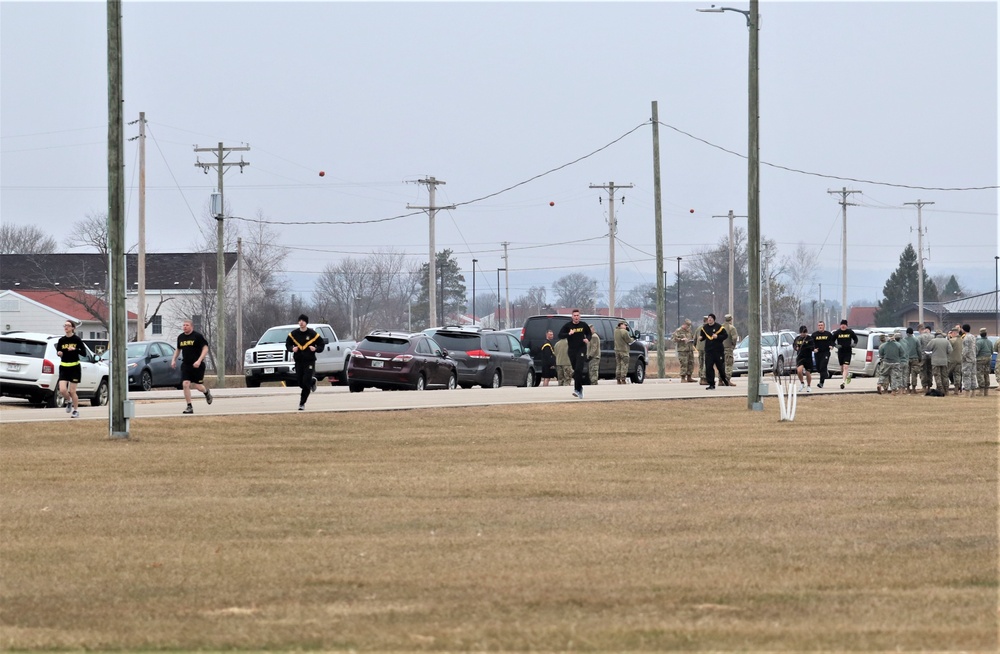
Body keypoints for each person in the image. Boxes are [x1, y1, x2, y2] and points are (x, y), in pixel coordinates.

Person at [171, 318, 213, 414]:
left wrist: (199, 360)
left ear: (192, 327)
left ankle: (206, 392)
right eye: (184, 325)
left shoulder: (197, 336)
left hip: (198, 365)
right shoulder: (180, 337)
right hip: (186, 364)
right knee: (185, 384)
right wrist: (173, 360)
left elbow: (205, 348)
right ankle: (189, 406)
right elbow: (178, 349)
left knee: (198, 386)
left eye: (187, 325)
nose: (185, 327)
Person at [286, 314, 325, 410]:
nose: (301, 322)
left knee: (305, 382)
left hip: (309, 361)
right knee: (300, 382)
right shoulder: (294, 334)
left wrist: (315, 349)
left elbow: (321, 344)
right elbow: (288, 344)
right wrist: (292, 348)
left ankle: (302, 403)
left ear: (306, 322)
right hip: (299, 361)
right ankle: (312, 381)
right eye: (300, 320)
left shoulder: (312, 334)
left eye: (303, 321)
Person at [557, 309, 592, 399]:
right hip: (572, 350)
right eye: (574, 315)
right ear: (572, 317)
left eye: (577, 315)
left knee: (578, 370)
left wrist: (587, 339)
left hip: (581, 349)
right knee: (576, 371)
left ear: (579, 316)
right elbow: (560, 335)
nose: (576, 317)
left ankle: (576, 390)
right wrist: (568, 334)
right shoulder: (568, 326)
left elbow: (589, 333)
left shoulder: (583, 325)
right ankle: (580, 389)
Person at [55, 320, 85, 418]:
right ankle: (69, 401)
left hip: (74, 367)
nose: (66, 327)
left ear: (73, 328)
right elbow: (59, 351)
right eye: (65, 325)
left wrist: (75, 349)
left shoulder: (77, 339)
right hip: (64, 366)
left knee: (72, 391)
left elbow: (83, 353)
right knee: (62, 390)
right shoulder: (61, 340)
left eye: (68, 325)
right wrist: (59, 353)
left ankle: (76, 411)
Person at [698, 313, 728, 390]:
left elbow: (725, 336)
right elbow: (703, 337)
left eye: (711, 318)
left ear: (714, 319)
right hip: (709, 351)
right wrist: (701, 338)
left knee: (720, 367)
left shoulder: (719, 327)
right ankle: (711, 384)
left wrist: (717, 336)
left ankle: (724, 379)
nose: (709, 319)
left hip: (718, 351)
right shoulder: (704, 328)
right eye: (708, 318)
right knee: (708, 367)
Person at [831, 319, 858, 389]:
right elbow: (831, 340)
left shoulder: (850, 332)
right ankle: (848, 375)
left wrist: (854, 344)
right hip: (840, 352)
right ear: (840, 325)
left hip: (848, 351)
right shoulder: (837, 332)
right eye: (842, 325)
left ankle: (843, 382)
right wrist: (835, 345)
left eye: (844, 325)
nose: (843, 326)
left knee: (845, 367)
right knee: (842, 369)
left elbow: (856, 339)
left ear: (846, 326)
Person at [928, 330, 953, 395]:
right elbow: (950, 350)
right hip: (944, 361)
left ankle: (940, 389)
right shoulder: (946, 341)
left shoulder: (933, 341)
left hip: (935, 361)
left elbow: (928, 348)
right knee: (944, 376)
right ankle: (946, 390)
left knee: (937, 376)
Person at [811, 320, 834, 389]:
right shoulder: (814, 335)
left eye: (821, 325)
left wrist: (831, 346)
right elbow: (811, 344)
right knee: (819, 368)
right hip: (818, 353)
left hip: (825, 353)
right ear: (817, 326)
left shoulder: (828, 334)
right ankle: (825, 372)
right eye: (819, 325)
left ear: (824, 326)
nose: (820, 327)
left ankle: (821, 383)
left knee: (822, 366)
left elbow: (832, 342)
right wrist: (813, 349)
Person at [900, 327, 922, 394]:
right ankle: (913, 388)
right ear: (912, 332)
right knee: (914, 374)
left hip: (906, 359)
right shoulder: (916, 340)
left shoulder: (904, 340)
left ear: (906, 333)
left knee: (907, 374)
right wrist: (920, 358)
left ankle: (907, 388)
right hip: (915, 358)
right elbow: (919, 350)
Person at [793, 325, 814, 393]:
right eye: (801, 333)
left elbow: (812, 346)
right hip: (800, 357)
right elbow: (794, 345)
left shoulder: (809, 338)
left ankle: (809, 385)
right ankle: (802, 383)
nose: (803, 334)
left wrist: (807, 346)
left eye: (804, 333)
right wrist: (796, 348)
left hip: (808, 358)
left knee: (808, 373)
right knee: (799, 371)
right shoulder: (797, 338)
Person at [961, 323, 978, 398]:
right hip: (973, 358)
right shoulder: (973, 337)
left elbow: (966, 349)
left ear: (963, 329)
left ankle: (967, 393)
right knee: (973, 375)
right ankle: (973, 392)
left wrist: (963, 357)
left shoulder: (966, 338)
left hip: (967, 359)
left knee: (966, 375)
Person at [722, 314, 740, 386]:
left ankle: (720, 380)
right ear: (731, 320)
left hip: (720, 349)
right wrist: (733, 345)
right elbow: (734, 338)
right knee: (729, 364)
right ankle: (727, 380)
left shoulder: (720, 327)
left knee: (721, 364)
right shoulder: (731, 328)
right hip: (728, 348)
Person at [975, 328, 992, 396]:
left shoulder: (979, 342)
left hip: (980, 359)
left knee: (980, 374)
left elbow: (976, 351)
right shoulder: (989, 342)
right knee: (986, 374)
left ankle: (981, 391)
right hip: (988, 358)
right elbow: (992, 351)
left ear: (980, 333)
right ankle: (986, 391)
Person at [917, 324, 934, 391]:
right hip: (931, 356)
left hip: (923, 355)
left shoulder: (920, 337)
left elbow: (918, 347)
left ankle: (924, 386)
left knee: (923, 371)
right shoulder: (933, 336)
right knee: (930, 371)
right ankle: (929, 385)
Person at [946, 327, 963, 394]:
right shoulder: (962, 340)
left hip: (951, 360)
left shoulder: (952, 340)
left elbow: (948, 349)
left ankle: (946, 389)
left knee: (946, 374)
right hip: (959, 359)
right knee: (957, 374)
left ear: (953, 333)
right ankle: (956, 389)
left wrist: (948, 338)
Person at [696, 316, 709, 385]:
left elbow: (695, 338)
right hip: (706, 348)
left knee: (701, 363)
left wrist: (697, 346)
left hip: (700, 348)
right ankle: (704, 378)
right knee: (706, 363)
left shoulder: (699, 328)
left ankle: (701, 378)